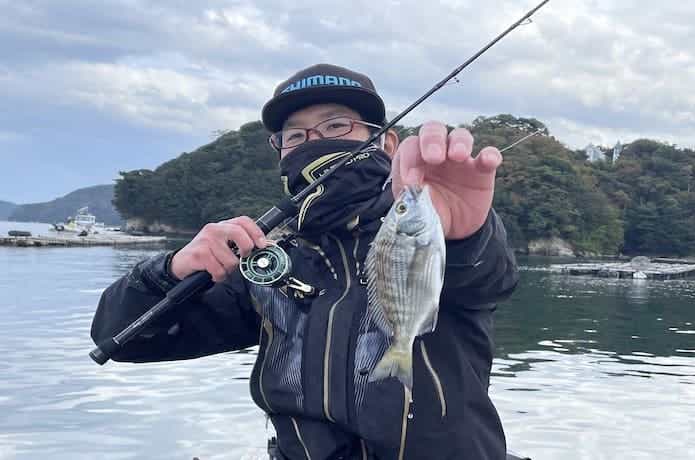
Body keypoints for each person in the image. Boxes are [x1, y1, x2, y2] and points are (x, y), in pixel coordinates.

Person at [91, 63, 519, 460]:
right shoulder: (267, 266)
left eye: (336, 125)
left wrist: (466, 235)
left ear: (386, 143)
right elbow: (125, 341)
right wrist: (167, 272)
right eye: (295, 136)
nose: (313, 142)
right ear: (279, 152)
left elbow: (489, 280)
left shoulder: (438, 232)